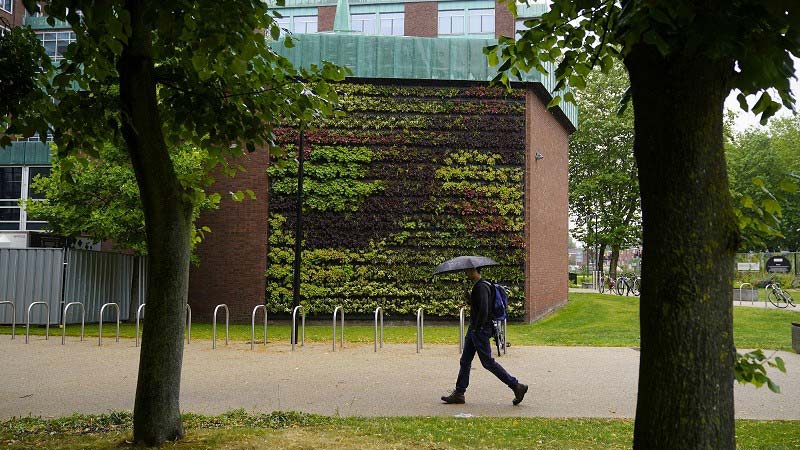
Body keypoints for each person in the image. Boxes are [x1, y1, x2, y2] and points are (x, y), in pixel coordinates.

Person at [441, 267, 528, 405]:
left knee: (488, 363)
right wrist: (470, 300)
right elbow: (480, 306)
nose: (466, 273)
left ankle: (516, 386)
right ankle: (459, 393)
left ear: (475, 270)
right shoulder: (482, 285)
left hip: (479, 329)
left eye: (468, 271)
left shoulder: (481, 287)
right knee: (465, 360)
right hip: (475, 329)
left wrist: (478, 327)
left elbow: (484, 310)